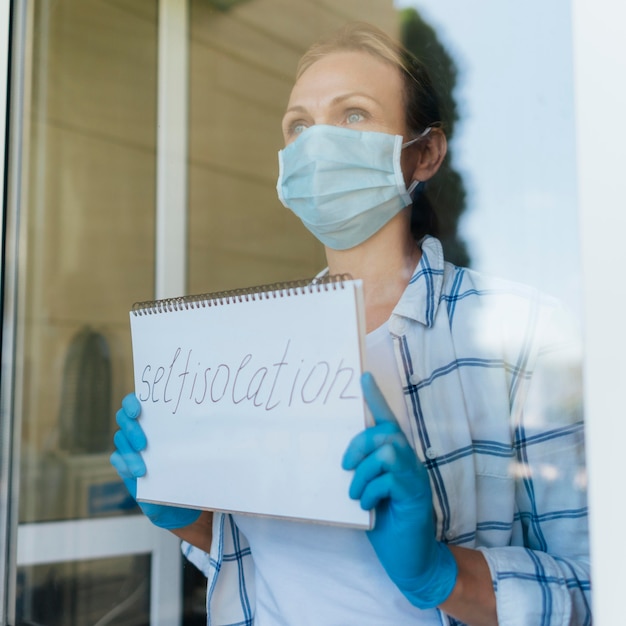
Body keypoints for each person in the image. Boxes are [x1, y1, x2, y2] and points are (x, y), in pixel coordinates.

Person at [111, 22, 590, 625]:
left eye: (354, 115)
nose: (317, 144)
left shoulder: (520, 335)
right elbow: (266, 556)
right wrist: (183, 510)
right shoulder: (250, 349)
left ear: (426, 153)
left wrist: (441, 573)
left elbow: (598, 591)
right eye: (299, 126)